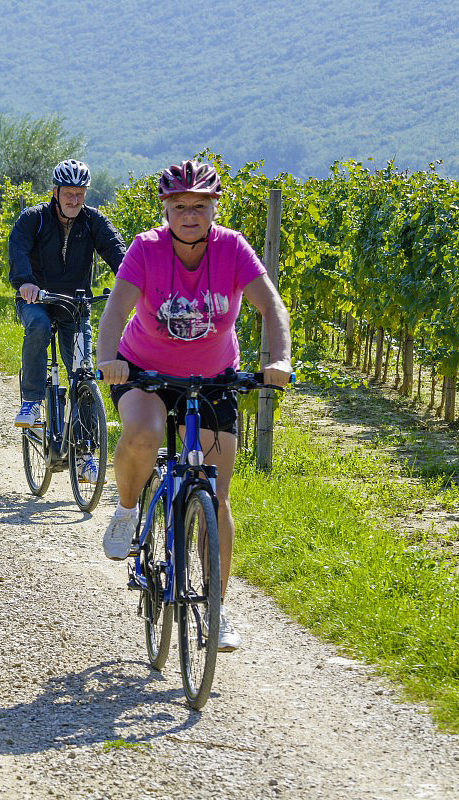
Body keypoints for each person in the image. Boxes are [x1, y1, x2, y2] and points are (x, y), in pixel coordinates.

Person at [96, 159, 292, 652]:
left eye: (199, 206)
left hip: (212, 379)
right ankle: (125, 509)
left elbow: (271, 306)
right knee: (144, 433)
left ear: (213, 208)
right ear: (165, 210)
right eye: (179, 206)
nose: (189, 215)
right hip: (146, 371)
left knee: (216, 496)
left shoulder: (233, 248)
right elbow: (117, 309)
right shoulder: (146, 249)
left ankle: (217, 609)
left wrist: (281, 359)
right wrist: (108, 359)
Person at [7, 159, 127, 483]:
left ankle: (86, 454)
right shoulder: (33, 219)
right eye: (69, 194)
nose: (74, 200)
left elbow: (117, 251)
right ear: (56, 192)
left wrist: (131, 281)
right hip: (38, 300)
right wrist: (24, 282)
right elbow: (17, 250)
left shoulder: (93, 222)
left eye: (80, 194)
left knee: (82, 375)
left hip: (75, 304)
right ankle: (32, 401)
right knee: (39, 327)